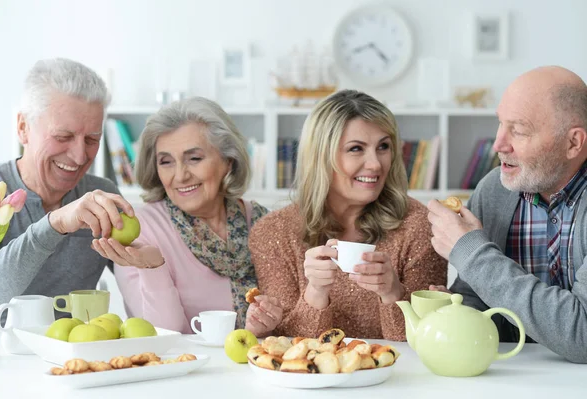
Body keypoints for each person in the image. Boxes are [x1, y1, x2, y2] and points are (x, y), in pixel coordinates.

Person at [248, 90, 448, 340]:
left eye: (383, 147)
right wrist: (316, 293)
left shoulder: (419, 225)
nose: (376, 164)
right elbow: (286, 346)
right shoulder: (273, 233)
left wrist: (393, 293)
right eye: (356, 149)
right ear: (321, 157)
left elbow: (429, 340)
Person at [427, 66, 587, 363]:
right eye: (500, 123)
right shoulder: (495, 190)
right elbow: (479, 297)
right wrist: (454, 306)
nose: (499, 144)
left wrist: (472, 254)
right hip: (509, 378)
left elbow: (583, 336)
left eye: (519, 130)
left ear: (573, 143)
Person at [106, 97, 275, 335]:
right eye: (166, 162)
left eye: (194, 159)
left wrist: (272, 322)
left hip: (258, 368)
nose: (180, 175)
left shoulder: (263, 223)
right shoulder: (138, 230)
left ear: (228, 161)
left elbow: (291, 323)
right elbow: (163, 336)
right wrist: (154, 267)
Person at [0, 58, 134, 310]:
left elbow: (137, 290)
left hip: (77, 348)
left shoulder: (102, 195)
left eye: (92, 139)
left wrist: (150, 263)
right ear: (23, 128)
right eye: (62, 137)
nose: (79, 157)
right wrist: (55, 224)